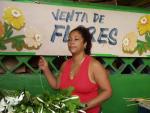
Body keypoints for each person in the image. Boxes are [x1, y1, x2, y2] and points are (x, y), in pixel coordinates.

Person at [38, 26, 112, 113]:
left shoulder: (94, 65)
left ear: (85, 44)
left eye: (76, 39)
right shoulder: (65, 65)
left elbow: (108, 91)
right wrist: (46, 69)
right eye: (69, 39)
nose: (71, 42)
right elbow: (56, 86)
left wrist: (84, 106)